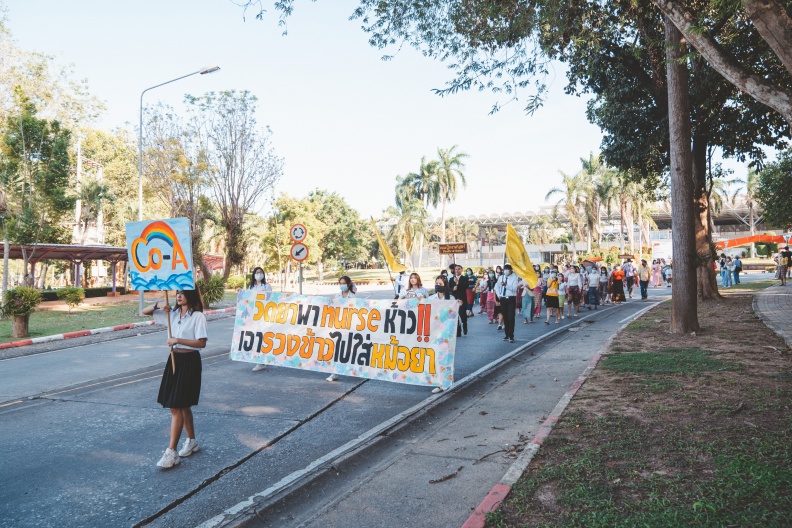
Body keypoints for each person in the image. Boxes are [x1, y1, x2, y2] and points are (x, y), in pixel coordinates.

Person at [143, 289, 207, 469]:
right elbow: (144, 312)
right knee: (182, 404)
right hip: (174, 359)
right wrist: (158, 305)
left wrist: (177, 339)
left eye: (183, 293)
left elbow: (201, 343)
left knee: (176, 405)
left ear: (191, 295)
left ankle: (171, 452)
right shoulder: (171, 314)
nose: (179, 296)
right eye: (177, 293)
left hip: (190, 361)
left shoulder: (198, 317)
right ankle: (192, 441)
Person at [429, 275, 459, 394]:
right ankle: (440, 382)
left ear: (445, 285)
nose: (438, 285)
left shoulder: (450, 299)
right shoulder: (431, 298)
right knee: (436, 357)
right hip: (434, 332)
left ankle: (445, 382)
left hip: (446, 333)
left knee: (446, 357)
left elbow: (453, 315)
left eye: (440, 284)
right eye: (436, 283)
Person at [327, 276, 356, 382]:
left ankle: (352, 369)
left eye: (344, 283)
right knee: (336, 349)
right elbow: (332, 305)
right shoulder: (337, 295)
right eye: (340, 283)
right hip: (338, 325)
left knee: (348, 349)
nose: (342, 285)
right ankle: (334, 373)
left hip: (349, 326)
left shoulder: (352, 296)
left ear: (348, 284)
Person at [249, 267, 274, 372]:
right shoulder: (251, 287)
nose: (259, 274)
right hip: (254, 316)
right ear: (254, 274)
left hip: (263, 316)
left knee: (262, 339)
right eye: (257, 272)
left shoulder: (266, 286)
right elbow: (248, 299)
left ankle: (261, 361)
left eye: (260, 272)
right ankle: (260, 361)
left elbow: (271, 299)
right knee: (255, 339)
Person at [494, 264, 519, 342]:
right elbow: (496, 287)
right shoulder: (501, 277)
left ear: (511, 270)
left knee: (511, 317)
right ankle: (507, 334)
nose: (506, 271)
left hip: (511, 298)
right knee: (505, 317)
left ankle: (511, 335)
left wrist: (506, 285)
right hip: (503, 298)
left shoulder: (514, 278)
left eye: (507, 269)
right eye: (505, 269)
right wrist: (499, 295)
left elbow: (514, 289)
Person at [449, 265, 469, 336]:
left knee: (462, 313)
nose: (457, 270)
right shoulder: (451, 279)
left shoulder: (465, 278)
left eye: (458, 269)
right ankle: (458, 330)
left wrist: (457, 283)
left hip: (462, 298)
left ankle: (464, 324)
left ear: (461, 270)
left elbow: (466, 286)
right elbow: (449, 288)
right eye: (456, 269)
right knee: (455, 315)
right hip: (454, 299)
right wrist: (453, 289)